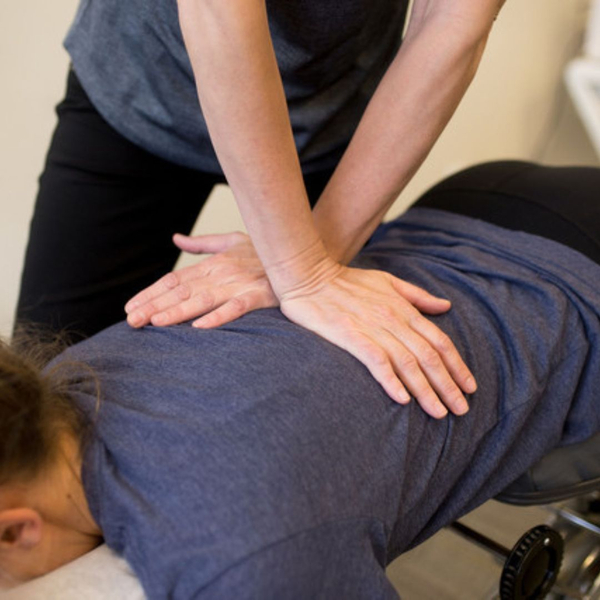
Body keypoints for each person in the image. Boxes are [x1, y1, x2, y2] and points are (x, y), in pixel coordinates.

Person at [3, 162, 600, 598]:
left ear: (14, 532)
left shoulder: (243, 565)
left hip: (580, 279)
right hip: (473, 200)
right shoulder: (60, 381)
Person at [15, 0, 508, 417]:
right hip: (141, 81)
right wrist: (303, 271)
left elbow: (452, 21)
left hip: (333, 103)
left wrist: (311, 261)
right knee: (48, 389)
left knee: (314, 391)